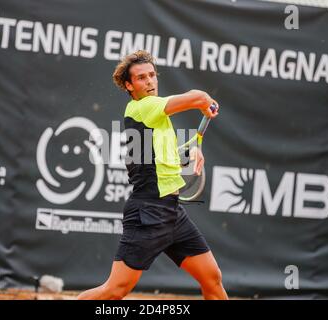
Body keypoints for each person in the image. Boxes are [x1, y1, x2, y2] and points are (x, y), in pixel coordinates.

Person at [77, 50, 228, 300]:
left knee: (212, 278)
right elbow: (198, 97)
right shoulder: (143, 107)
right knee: (114, 291)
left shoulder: (156, 117)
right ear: (129, 85)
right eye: (141, 78)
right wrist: (205, 101)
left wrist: (196, 146)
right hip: (148, 213)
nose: (149, 82)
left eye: (152, 76)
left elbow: (163, 156)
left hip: (173, 213)